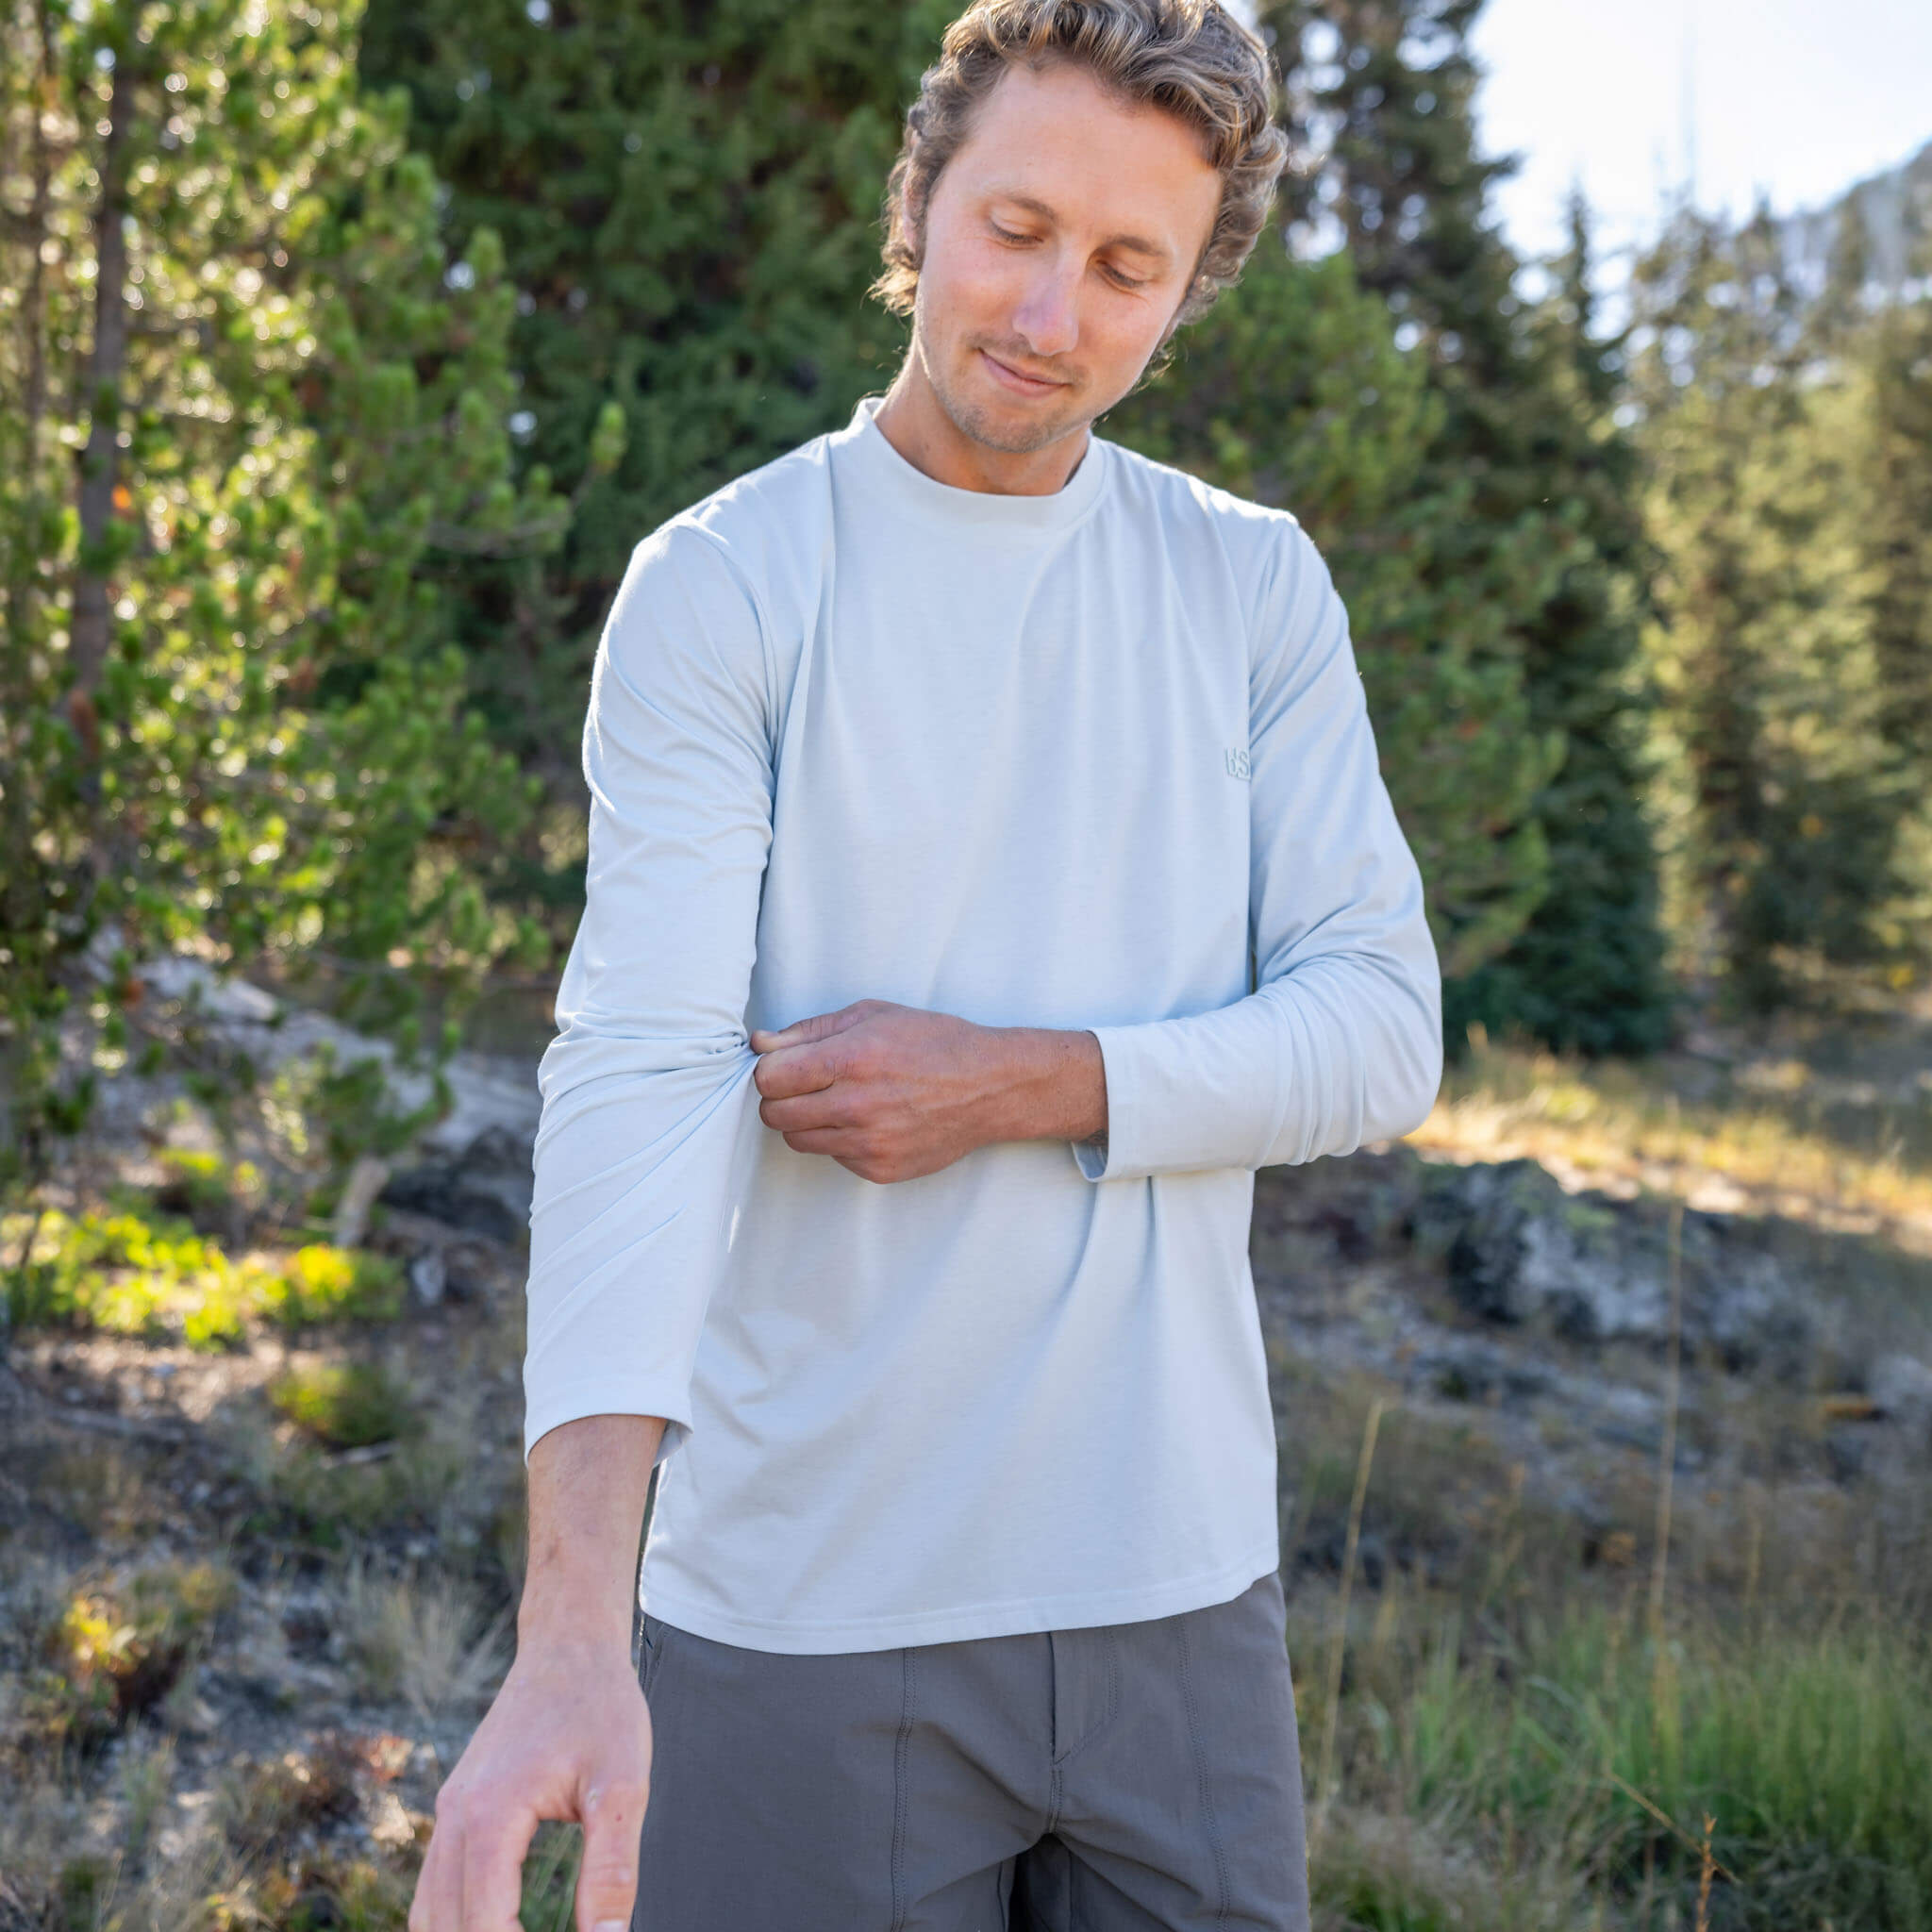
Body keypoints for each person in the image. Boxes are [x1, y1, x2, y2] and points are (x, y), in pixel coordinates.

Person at [408, 1, 1442, 1926]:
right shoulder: (729, 582)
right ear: (921, 201)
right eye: (1015, 228)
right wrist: (570, 1637)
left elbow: (1381, 1027)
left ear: (1186, 292)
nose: (1050, 312)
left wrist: (1019, 1081)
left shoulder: (1249, 586)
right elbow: (637, 1086)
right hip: (799, 1613)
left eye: (1126, 265)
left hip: (1178, 1600)